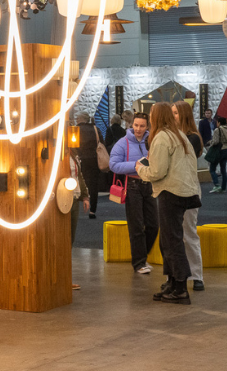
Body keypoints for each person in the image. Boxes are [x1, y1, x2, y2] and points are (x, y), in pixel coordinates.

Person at [136, 102, 201, 305]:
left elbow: (157, 171)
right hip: (184, 192)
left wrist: (140, 169)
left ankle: (180, 288)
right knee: (169, 240)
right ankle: (172, 283)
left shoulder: (162, 138)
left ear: (156, 117)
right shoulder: (180, 135)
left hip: (170, 193)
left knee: (172, 242)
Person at [110, 111, 154, 274]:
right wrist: (135, 165)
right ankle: (139, 263)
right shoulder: (123, 143)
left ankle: (143, 256)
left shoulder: (152, 141)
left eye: (142, 126)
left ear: (147, 126)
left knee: (153, 224)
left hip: (149, 185)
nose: (138, 129)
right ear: (131, 125)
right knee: (136, 225)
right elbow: (113, 165)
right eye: (136, 125)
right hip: (133, 186)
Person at [173, 103, 207, 291]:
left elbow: (179, 158)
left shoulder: (192, 137)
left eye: (176, 113)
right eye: (171, 113)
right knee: (173, 234)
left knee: (189, 232)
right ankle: (177, 274)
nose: (173, 116)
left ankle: (196, 275)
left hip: (189, 188)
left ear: (184, 115)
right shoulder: (170, 135)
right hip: (171, 189)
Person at [74, 113, 104, 219]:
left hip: (80, 160)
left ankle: (77, 208)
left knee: (79, 182)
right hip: (94, 160)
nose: (76, 119)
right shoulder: (95, 129)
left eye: (77, 118)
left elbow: (73, 146)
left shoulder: (76, 130)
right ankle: (92, 210)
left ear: (80, 119)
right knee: (93, 185)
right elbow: (101, 142)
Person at [207, 117, 227, 193]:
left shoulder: (217, 130)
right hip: (226, 150)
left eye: (217, 122)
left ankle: (216, 185)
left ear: (219, 122)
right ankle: (223, 188)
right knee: (223, 170)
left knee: (212, 169)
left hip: (218, 151)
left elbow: (215, 141)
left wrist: (210, 143)